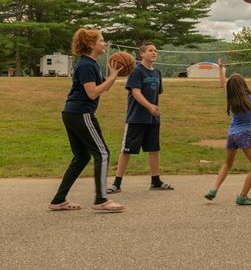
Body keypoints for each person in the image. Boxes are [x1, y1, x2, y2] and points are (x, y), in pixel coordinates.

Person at [48, 28, 125, 212]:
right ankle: (101, 200)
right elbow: (92, 93)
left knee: (82, 157)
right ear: (91, 44)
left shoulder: (91, 64)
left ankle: (58, 200)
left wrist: (112, 75)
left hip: (73, 113)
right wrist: (113, 77)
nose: (104, 43)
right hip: (81, 113)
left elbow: (102, 88)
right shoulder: (86, 65)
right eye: (101, 40)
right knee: (103, 153)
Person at [205, 58, 251, 205]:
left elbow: (222, 83)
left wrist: (221, 68)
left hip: (232, 135)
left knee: (227, 163)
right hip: (244, 135)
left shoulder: (229, 97)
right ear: (244, 85)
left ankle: (213, 190)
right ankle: (242, 196)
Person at [108, 42, 173, 193]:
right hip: (136, 118)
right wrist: (149, 106)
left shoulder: (157, 72)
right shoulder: (136, 71)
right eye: (150, 50)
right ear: (142, 54)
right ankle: (116, 183)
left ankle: (155, 181)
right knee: (127, 150)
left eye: (155, 50)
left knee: (154, 149)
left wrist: (154, 108)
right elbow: (136, 92)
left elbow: (156, 94)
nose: (154, 53)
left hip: (152, 119)